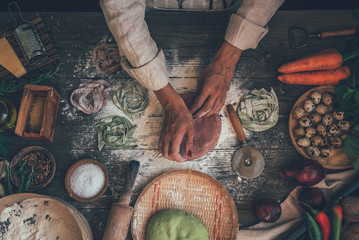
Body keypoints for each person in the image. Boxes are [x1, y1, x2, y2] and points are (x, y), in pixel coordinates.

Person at [100, 0, 285, 162]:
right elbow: (121, 7)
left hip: (227, 12)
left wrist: (228, 59)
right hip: (153, 13)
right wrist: (170, 102)